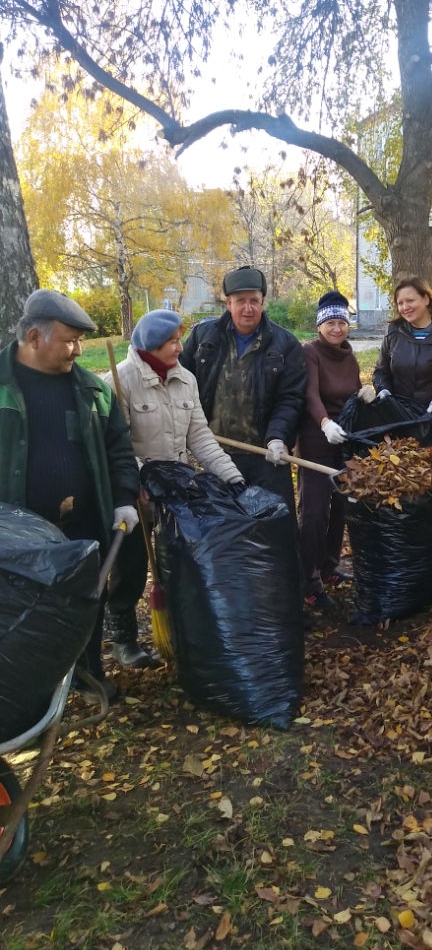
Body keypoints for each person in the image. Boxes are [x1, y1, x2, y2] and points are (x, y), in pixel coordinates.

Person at [0, 290, 140, 701]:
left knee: (85, 602)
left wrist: (125, 497)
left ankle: (87, 674)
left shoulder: (93, 391)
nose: (79, 350)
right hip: (16, 536)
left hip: (82, 524)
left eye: (81, 340)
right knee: (21, 613)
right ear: (33, 338)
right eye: (70, 340)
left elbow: (119, 449)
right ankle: (25, 695)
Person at [103, 309, 245, 667]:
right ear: (152, 345)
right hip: (134, 491)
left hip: (176, 493)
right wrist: (140, 479)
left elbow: (199, 435)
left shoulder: (186, 380)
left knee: (177, 564)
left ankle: (180, 631)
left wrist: (231, 476)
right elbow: (113, 445)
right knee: (131, 566)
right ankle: (123, 640)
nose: (180, 348)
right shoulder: (119, 382)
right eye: (172, 342)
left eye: (180, 339)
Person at [179, 266, 307, 512]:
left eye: (254, 301)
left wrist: (278, 437)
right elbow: (181, 381)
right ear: (228, 303)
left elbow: (290, 398)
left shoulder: (285, 344)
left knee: (272, 529)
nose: (247, 308)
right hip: (216, 456)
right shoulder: (204, 338)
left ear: (262, 303)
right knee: (225, 534)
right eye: (240, 301)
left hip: (266, 457)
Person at [297, 291, 375, 612]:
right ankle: (308, 581)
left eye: (342, 322)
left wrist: (365, 395)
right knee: (315, 512)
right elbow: (311, 394)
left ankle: (328, 567)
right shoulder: (310, 353)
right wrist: (325, 423)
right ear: (319, 326)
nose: (337, 328)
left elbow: (352, 393)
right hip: (317, 439)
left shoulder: (350, 356)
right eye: (330, 322)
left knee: (341, 507)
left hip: (345, 440)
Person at [372, 276, 432, 421]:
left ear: (426, 299)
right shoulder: (393, 332)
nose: (405, 307)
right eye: (400, 303)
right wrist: (384, 390)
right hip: (398, 416)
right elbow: (381, 371)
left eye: (410, 301)